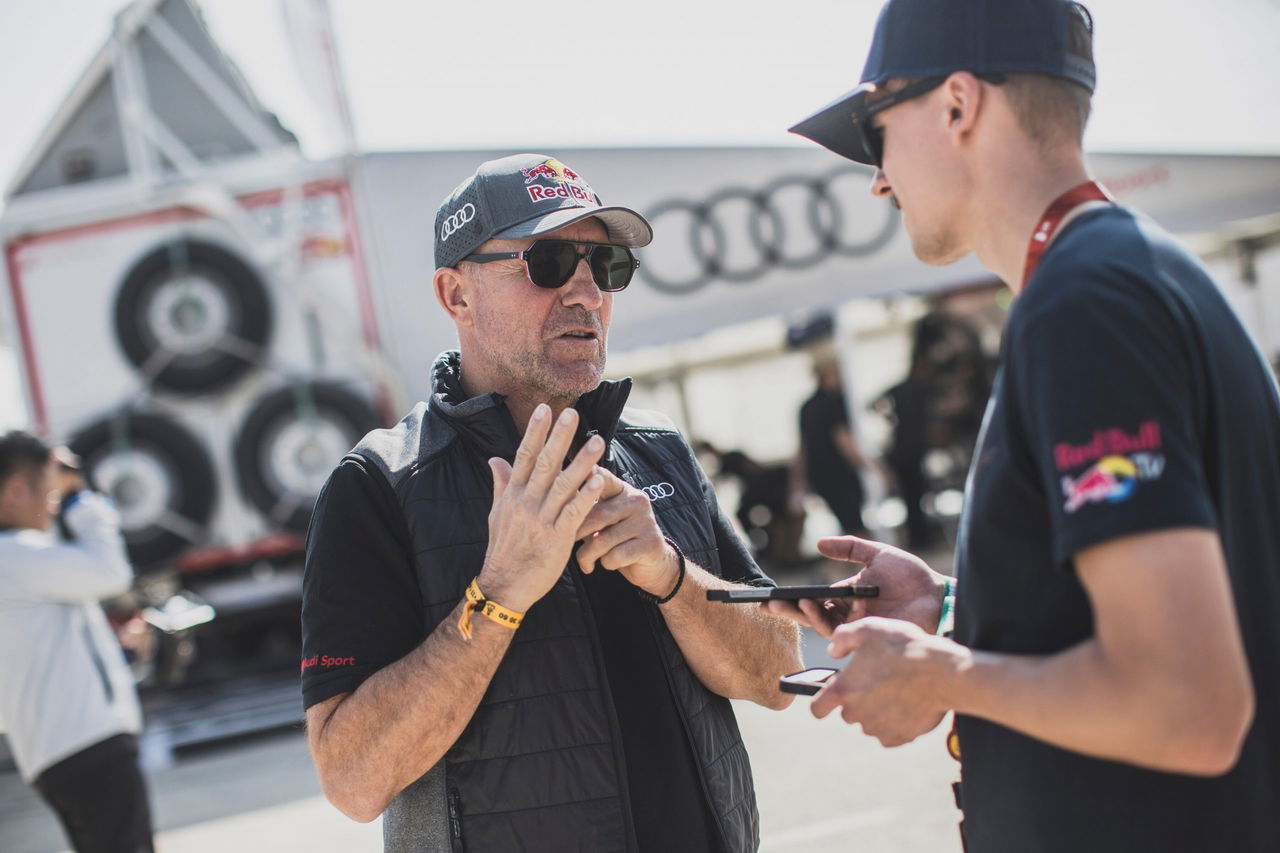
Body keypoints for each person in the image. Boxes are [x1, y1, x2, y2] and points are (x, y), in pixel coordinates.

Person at [775, 1, 1280, 851]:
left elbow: (1189, 703)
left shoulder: (1086, 304)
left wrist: (942, 673)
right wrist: (951, 610)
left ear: (958, 106)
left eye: (876, 132)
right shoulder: (1125, 271)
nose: (878, 178)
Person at [300, 153, 802, 852]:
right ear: (456, 294)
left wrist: (671, 575)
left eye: (607, 265)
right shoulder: (380, 484)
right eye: (550, 261)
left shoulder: (657, 451)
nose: (587, 291)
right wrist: (499, 592)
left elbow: (782, 672)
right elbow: (351, 778)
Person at [0, 432, 154, 853]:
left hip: (62, 751)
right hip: (88, 747)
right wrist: (83, 498)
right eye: (50, 494)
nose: (55, 506)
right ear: (15, 490)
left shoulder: (21, 560)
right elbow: (109, 571)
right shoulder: (14, 555)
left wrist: (118, 652)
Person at [795, 355, 870, 537]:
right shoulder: (834, 402)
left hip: (820, 474)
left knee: (847, 524)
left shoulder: (806, 407)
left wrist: (798, 479)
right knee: (856, 527)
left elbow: (802, 448)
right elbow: (842, 438)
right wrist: (869, 466)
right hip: (840, 472)